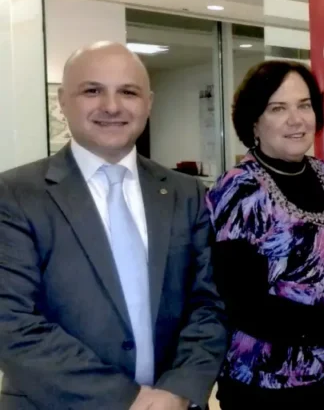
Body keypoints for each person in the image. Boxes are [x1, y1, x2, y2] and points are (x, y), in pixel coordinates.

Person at [0, 42, 228, 409]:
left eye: (128, 92)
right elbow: (10, 322)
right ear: (62, 101)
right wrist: (127, 399)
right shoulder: (14, 194)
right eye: (92, 90)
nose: (112, 106)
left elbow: (208, 304)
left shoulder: (185, 192)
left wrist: (180, 389)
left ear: (148, 102)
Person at [206, 60, 324, 409]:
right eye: (278, 108)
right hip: (268, 384)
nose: (296, 119)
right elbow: (245, 305)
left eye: (304, 105)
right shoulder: (239, 189)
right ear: (254, 121)